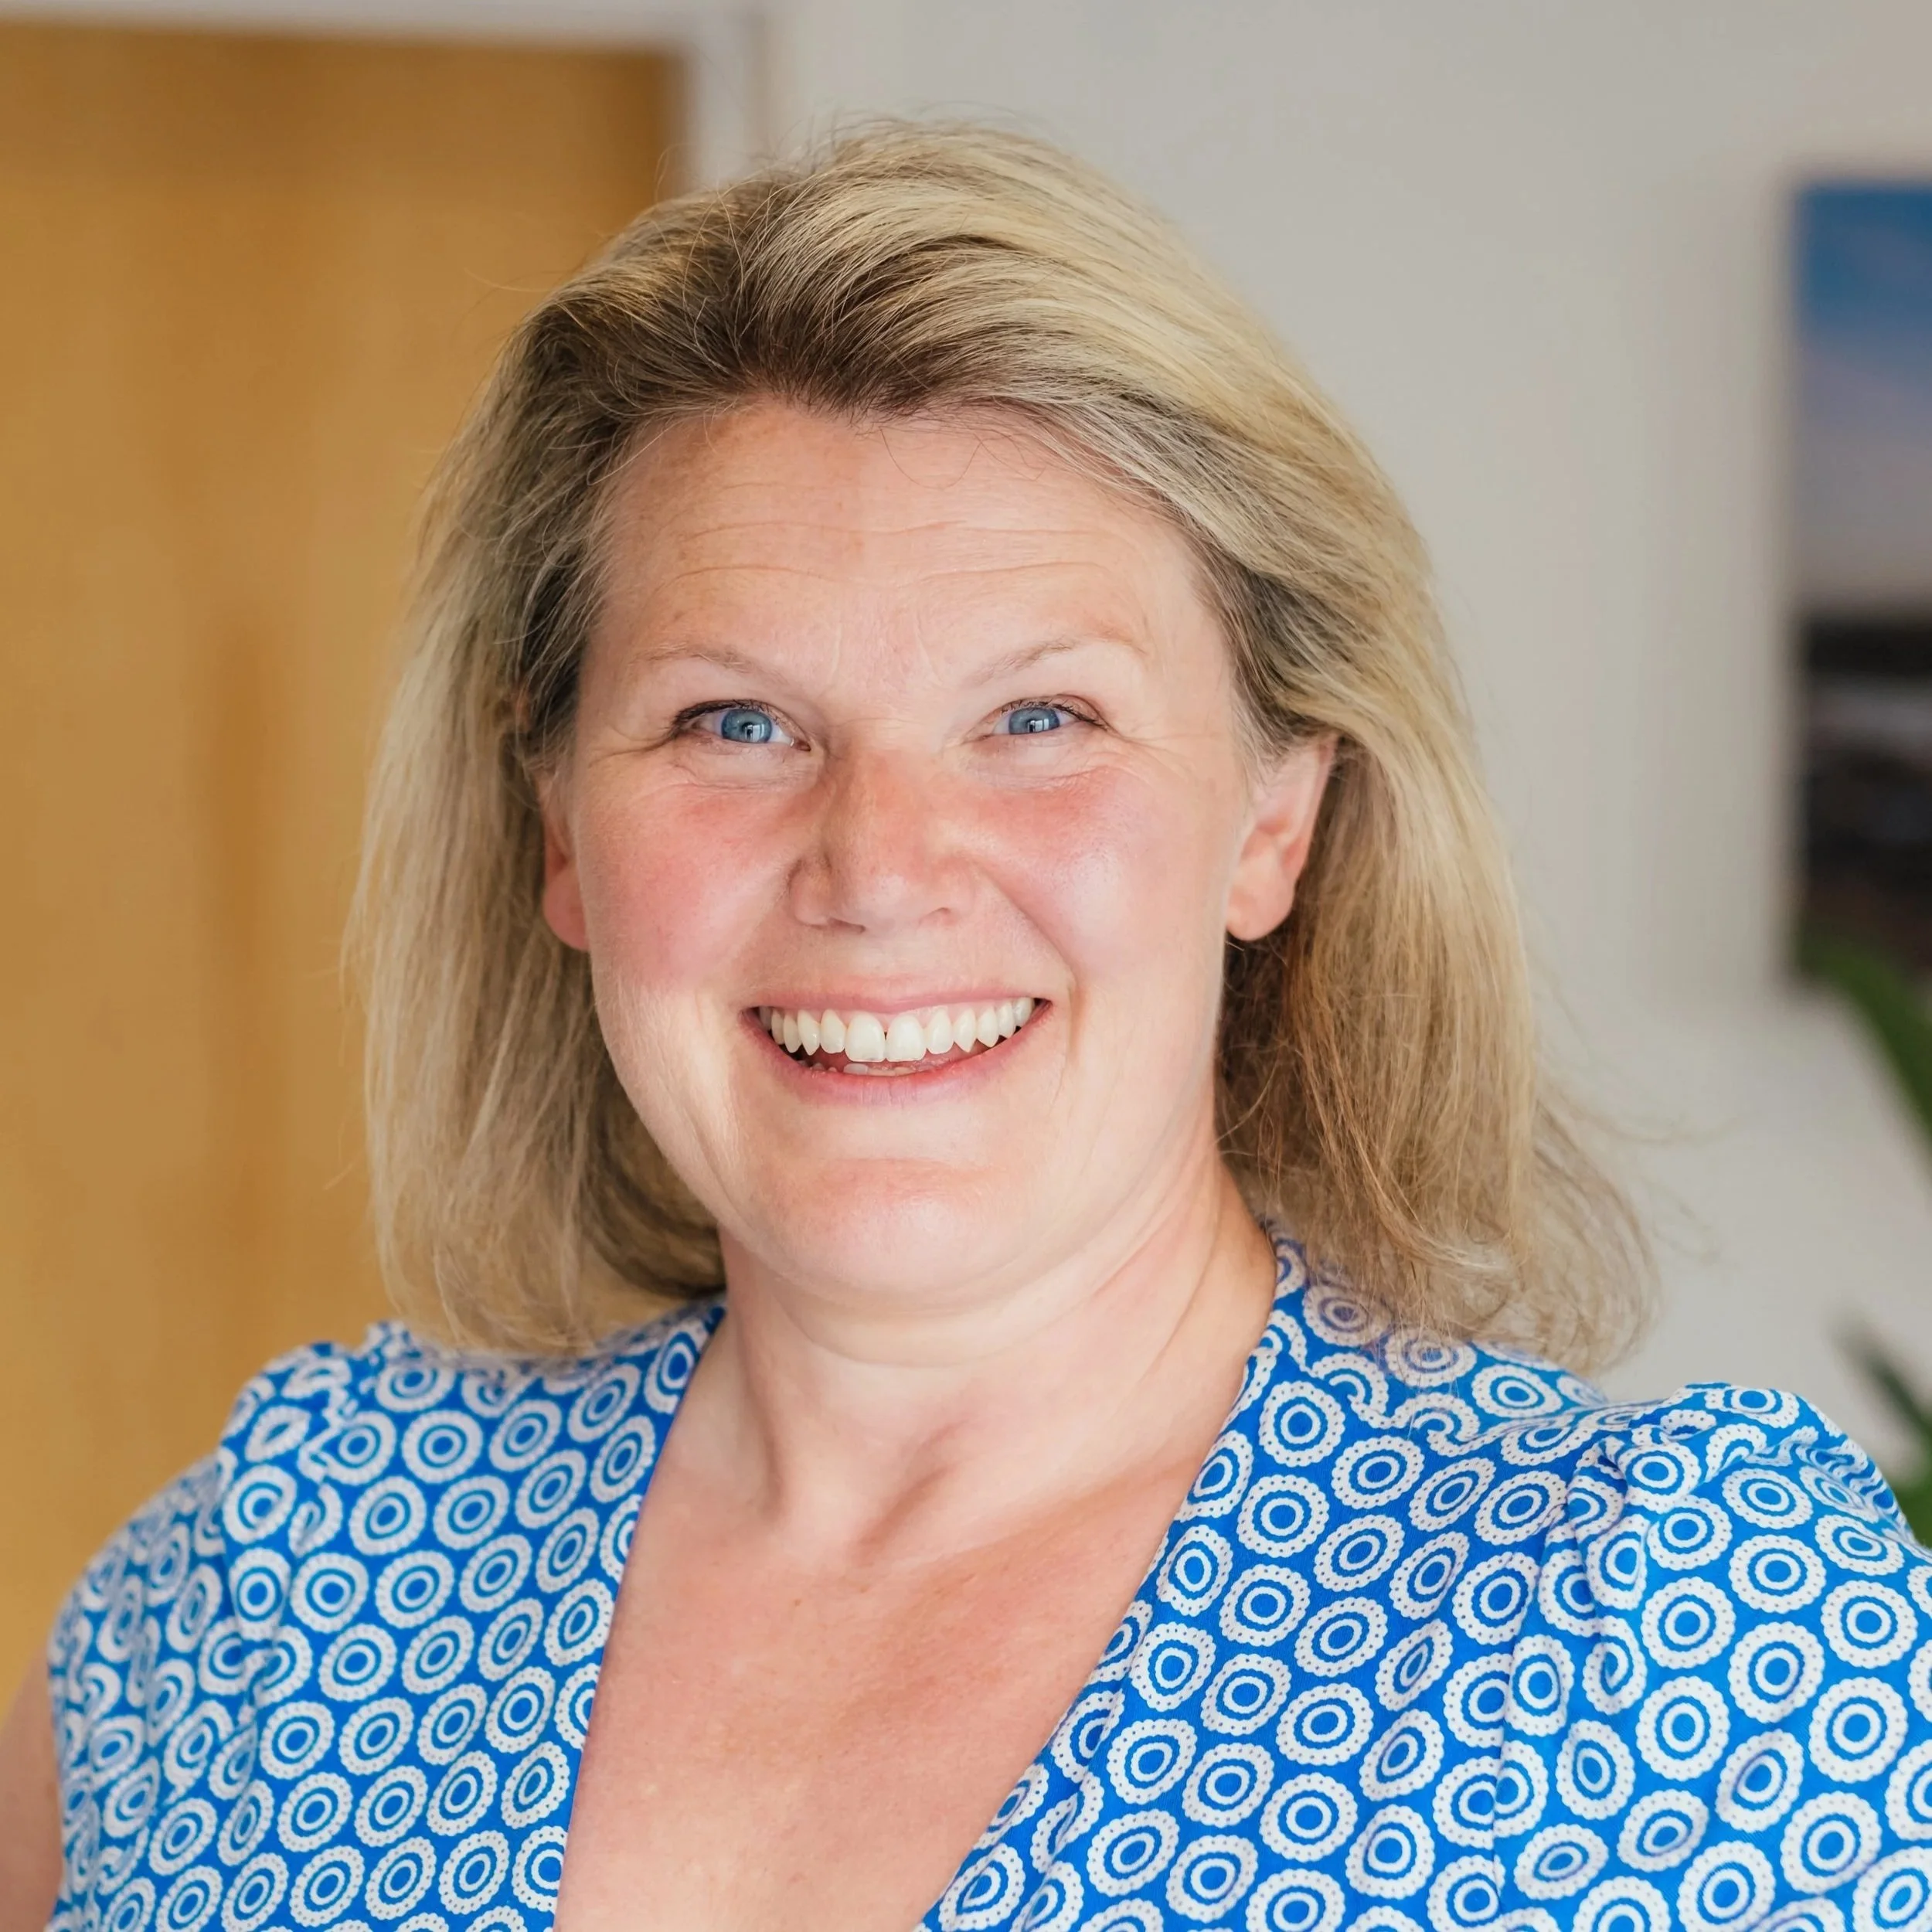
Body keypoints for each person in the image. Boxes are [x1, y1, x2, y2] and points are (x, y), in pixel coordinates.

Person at [4, 121, 1929, 1932]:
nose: (878, 862)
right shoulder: (279, 1579)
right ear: (557, 833)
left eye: (1039, 719)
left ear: (1271, 818)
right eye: (731, 722)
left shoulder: (1665, 1634)